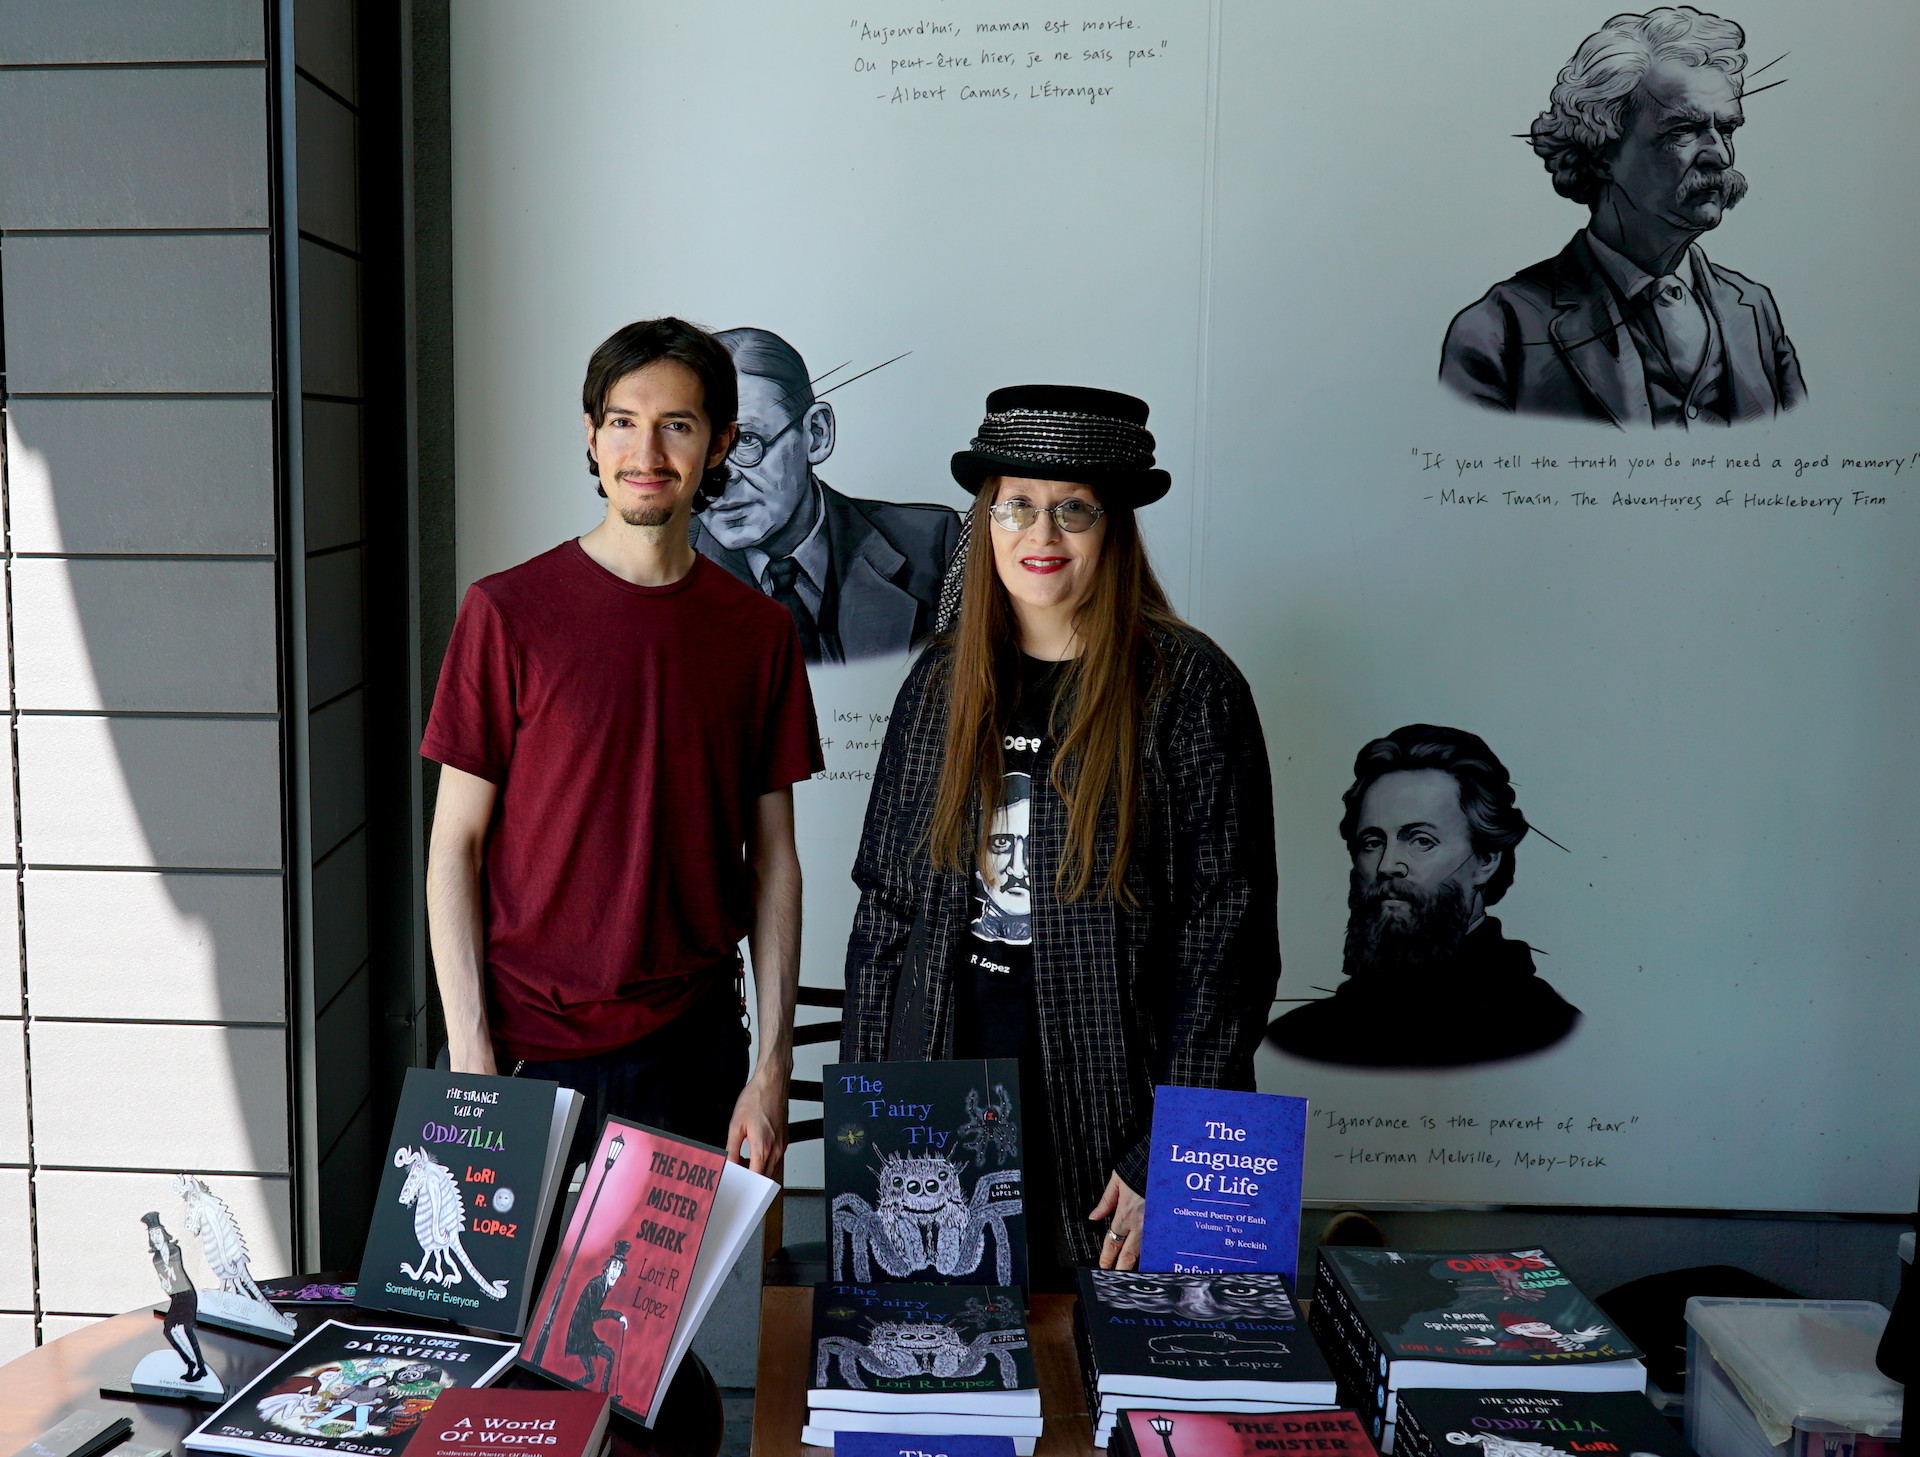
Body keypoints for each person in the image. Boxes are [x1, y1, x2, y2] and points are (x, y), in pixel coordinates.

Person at [842, 384, 1280, 1281]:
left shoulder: (1190, 689)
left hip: (1119, 1106)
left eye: (1073, 508)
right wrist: (873, 1115)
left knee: (1112, 1346)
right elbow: (885, 911)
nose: (1041, 534)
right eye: (1018, 505)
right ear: (987, 518)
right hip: (948, 1090)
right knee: (954, 1344)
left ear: (1114, 526)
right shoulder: (939, 684)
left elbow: (1228, 946)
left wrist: (1170, 1154)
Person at [421, 317, 823, 1177]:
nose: (647, 452)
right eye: (622, 422)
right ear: (592, 436)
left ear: (719, 443)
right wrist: (471, 1054)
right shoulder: (506, 612)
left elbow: (775, 861)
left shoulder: (757, 633)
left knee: (685, 1280)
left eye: (677, 424)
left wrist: (771, 1067)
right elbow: (453, 845)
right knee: (503, 1276)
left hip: (693, 1053)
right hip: (524, 1054)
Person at [1440, 7, 1804, 427]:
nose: (1720, 155)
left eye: (1726, 129)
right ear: (1601, 154)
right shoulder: (1499, 329)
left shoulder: (1753, 307)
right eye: (1682, 130)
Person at [1267, 724, 1580, 1069]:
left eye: (1421, 841)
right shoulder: (1298, 1036)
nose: (1387, 865)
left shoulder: (1545, 1029)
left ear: (1486, 860)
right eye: (1372, 842)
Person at [691, 327, 962, 662]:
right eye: (697, 443)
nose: (721, 478)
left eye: (746, 441)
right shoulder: (658, 565)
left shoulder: (931, 543)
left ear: (817, 434)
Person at [142, 1211, 208, 1382]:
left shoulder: (174, 1250)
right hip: (176, 1298)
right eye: (152, 1235)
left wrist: (169, 1278)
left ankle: (201, 1367)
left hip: (186, 1295)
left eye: (157, 1233)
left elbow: (175, 1271)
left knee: (187, 1329)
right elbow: (165, 1279)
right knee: (167, 1329)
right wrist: (165, 1285)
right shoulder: (156, 1258)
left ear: (163, 1233)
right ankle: (189, 1363)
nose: (155, 1238)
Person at [565, 1240, 629, 1391]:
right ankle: (603, 1393)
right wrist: (617, 1315)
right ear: (608, 1267)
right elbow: (593, 1315)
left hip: (584, 1334)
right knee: (610, 1356)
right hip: (580, 1337)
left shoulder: (603, 1287)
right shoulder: (596, 1286)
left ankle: (568, 1390)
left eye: (619, 1268)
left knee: (591, 1375)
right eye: (614, 1266)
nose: (616, 1272)